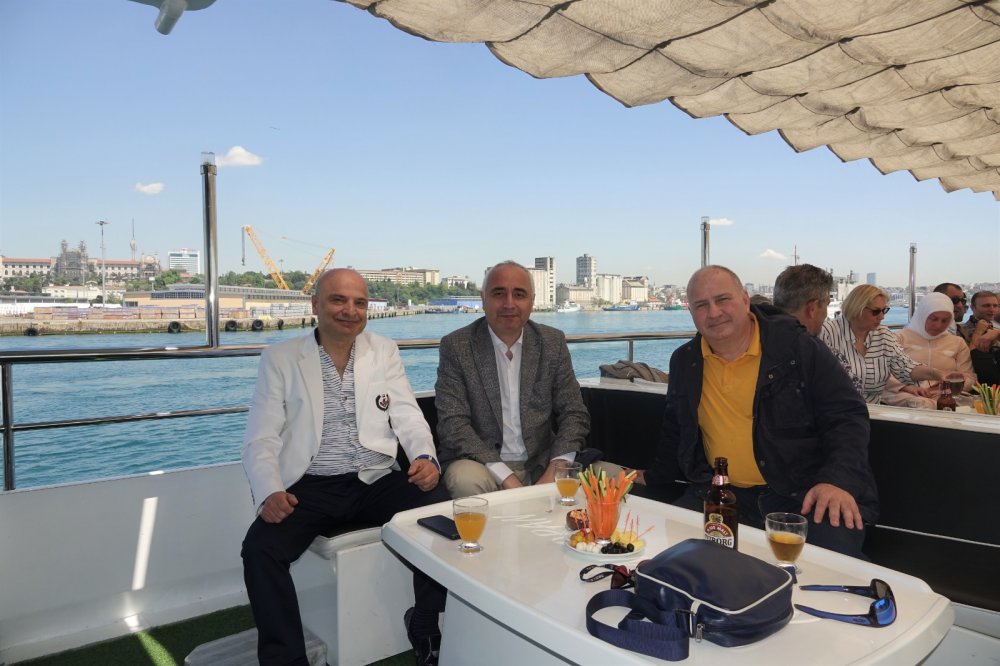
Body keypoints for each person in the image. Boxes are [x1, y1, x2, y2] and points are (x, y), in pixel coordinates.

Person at [241, 269, 448, 666]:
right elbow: (261, 437)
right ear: (315, 305)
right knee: (260, 550)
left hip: (375, 478)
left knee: (438, 510)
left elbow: (407, 415)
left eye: (359, 302)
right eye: (338, 300)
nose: (350, 310)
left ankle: (424, 623)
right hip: (311, 485)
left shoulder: (383, 350)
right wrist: (269, 492)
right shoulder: (281, 359)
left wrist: (425, 457)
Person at [631, 265, 877, 558]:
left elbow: (846, 416)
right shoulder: (686, 361)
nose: (714, 312)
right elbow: (676, 428)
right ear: (692, 313)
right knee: (664, 554)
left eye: (723, 300)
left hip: (803, 493)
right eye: (701, 305)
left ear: (745, 300)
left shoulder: (796, 348)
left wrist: (837, 481)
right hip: (722, 495)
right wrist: (653, 476)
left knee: (830, 571)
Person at [435, 260, 592, 498]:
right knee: (464, 480)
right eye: (499, 294)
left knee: (611, 476)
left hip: (542, 462)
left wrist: (556, 469)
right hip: (482, 464)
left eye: (519, 294)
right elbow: (453, 425)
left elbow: (574, 413)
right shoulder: (457, 346)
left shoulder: (552, 342)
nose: (509, 304)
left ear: (532, 301)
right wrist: (508, 479)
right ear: (483, 299)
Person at [819, 284, 943, 403]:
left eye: (884, 311)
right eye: (876, 311)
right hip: (834, 408)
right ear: (857, 309)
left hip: (873, 410)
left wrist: (938, 374)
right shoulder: (827, 333)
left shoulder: (883, 334)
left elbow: (906, 367)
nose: (882, 317)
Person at [881, 292, 976, 409]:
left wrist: (950, 387)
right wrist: (908, 388)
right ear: (922, 315)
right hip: (905, 393)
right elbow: (884, 373)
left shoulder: (957, 342)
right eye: (933, 319)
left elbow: (970, 377)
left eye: (945, 320)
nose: (938, 325)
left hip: (946, 395)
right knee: (921, 403)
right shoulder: (899, 338)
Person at [772, 263, 833, 335]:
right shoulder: (806, 342)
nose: (826, 314)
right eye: (827, 304)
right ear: (812, 309)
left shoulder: (762, 331)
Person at [962, 290, 1000, 385]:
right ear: (972, 307)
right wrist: (978, 332)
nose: (991, 309)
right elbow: (966, 360)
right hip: (975, 383)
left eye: (995, 306)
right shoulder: (961, 330)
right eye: (986, 306)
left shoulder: (997, 329)